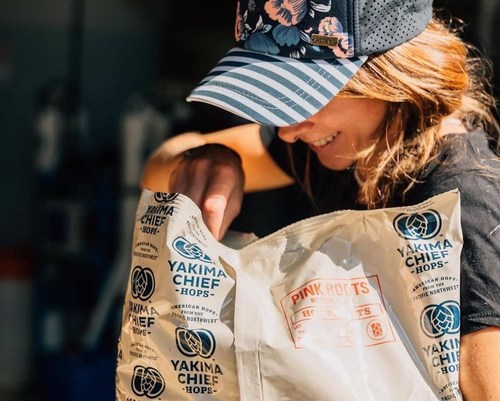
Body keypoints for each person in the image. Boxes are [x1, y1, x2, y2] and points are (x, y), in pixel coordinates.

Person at [141, 1, 500, 400]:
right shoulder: (346, 148)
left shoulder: (465, 206)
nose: (288, 132)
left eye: (307, 95)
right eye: (275, 96)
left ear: (389, 76)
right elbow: (158, 169)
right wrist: (213, 158)